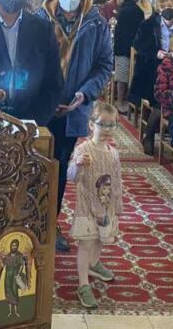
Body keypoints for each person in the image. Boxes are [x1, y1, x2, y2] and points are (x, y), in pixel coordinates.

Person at [37, 0, 113, 253]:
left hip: (73, 107)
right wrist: (40, 96)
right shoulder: (39, 18)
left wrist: (85, 93)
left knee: (58, 167)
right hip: (40, 106)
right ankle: (29, 221)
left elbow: (104, 65)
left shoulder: (96, 22)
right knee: (34, 165)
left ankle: (50, 223)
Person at [67, 101, 122, 310]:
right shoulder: (83, 149)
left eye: (111, 125)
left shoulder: (113, 153)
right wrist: (78, 164)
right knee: (86, 244)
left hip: (106, 206)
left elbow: (116, 180)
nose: (107, 130)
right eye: (102, 124)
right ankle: (83, 284)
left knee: (101, 238)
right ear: (91, 125)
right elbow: (72, 177)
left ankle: (94, 263)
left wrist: (118, 204)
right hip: (86, 208)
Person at [131, 0, 173, 153]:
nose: (167, 10)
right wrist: (155, 53)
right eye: (163, 7)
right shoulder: (148, 24)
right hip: (151, 67)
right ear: (159, 10)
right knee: (159, 99)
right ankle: (149, 136)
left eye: (170, 6)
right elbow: (138, 44)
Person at [113, 0, 145, 111]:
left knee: (122, 76)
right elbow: (139, 31)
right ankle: (121, 102)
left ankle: (121, 101)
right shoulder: (137, 11)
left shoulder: (123, 9)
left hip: (120, 46)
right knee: (125, 76)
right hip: (129, 47)